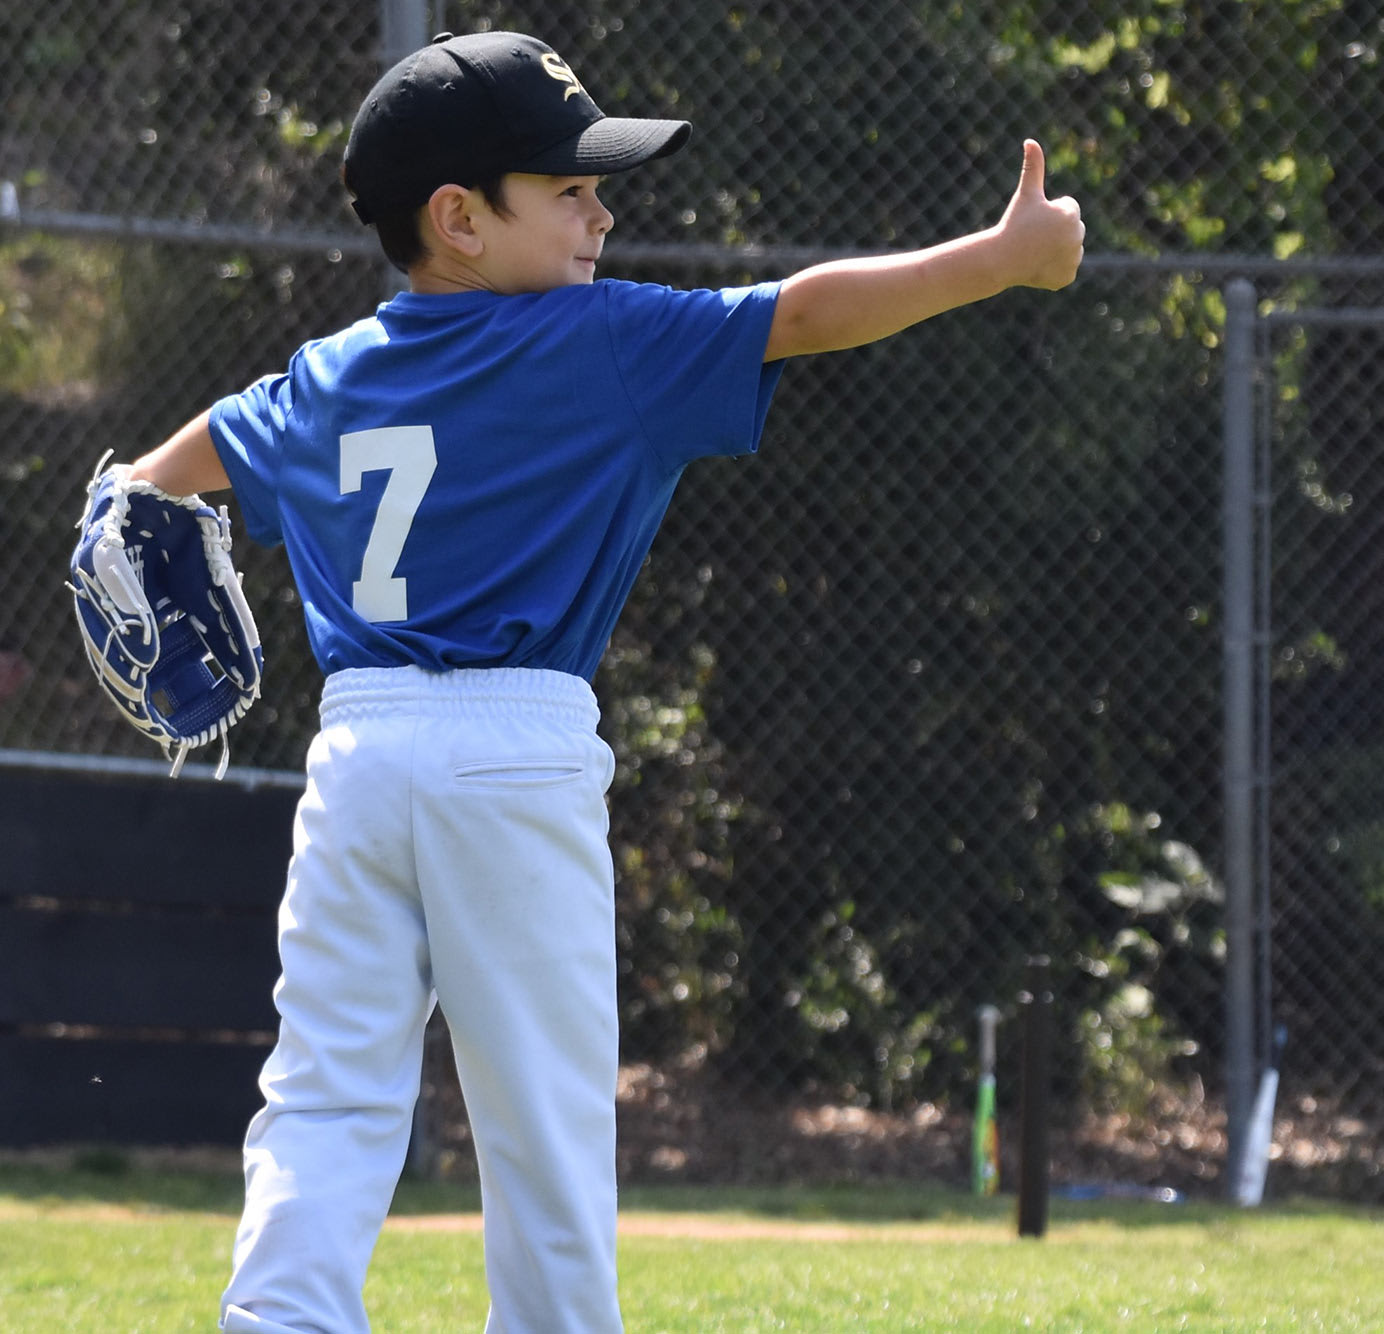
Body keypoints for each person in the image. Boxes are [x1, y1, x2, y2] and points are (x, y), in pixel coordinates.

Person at [121, 30, 1083, 1334]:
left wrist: (128, 492)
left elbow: (198, 455)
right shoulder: (600, 342)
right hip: (513, 751)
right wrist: (1001, 259)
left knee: (330, 1092)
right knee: (544, 1118)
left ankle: (282, 1317)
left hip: (355, 761)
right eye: (567, 189)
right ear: (458, 218)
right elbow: (805, 312)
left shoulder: (331, 375)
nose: (602, 213)